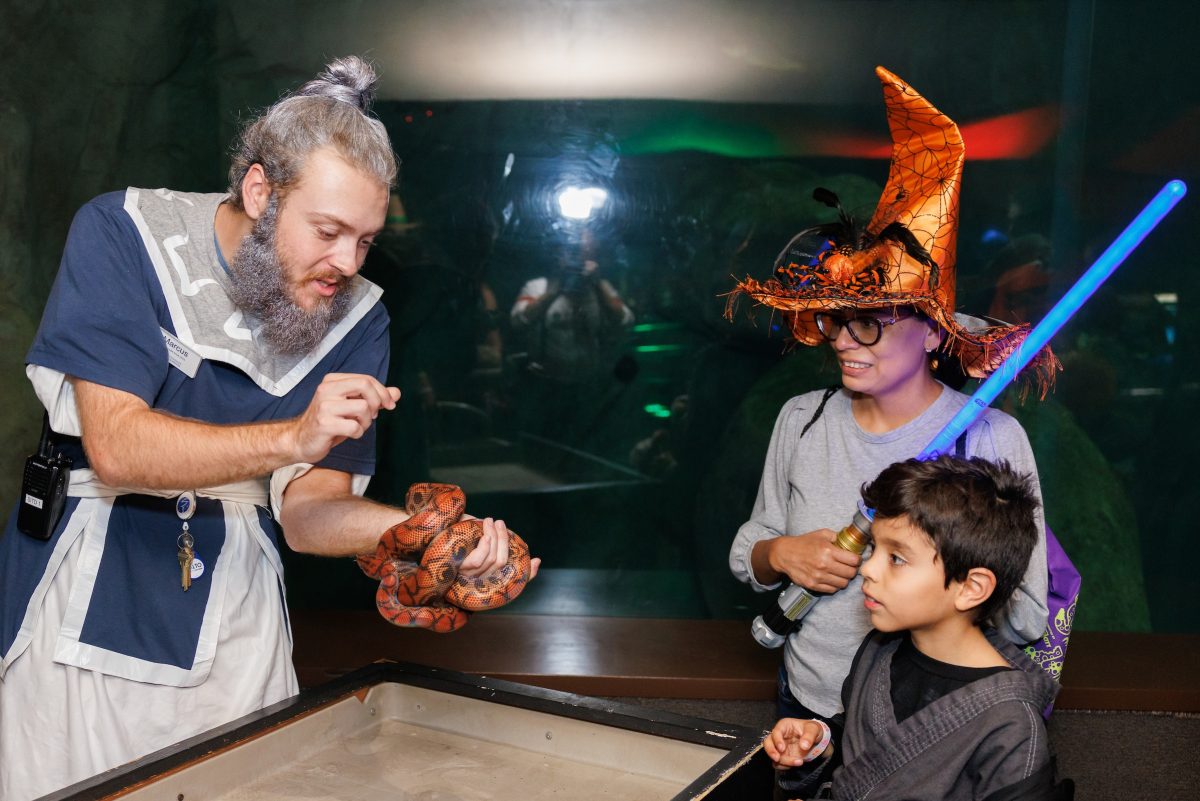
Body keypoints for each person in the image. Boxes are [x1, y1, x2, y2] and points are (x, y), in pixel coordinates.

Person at [0, 56, 537, 800]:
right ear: (260, 191)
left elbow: (309, 512)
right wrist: (292, 436)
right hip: (86, 584)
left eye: (366, 239)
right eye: (328, 230)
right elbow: (118, 447)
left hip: (237, 610)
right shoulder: (125, 235)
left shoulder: (357, 314)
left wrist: (438, 534)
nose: (345, 262)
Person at [727, 67, 1057, 732]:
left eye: (870, 319)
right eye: (836, 318)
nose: (845, 339)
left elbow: (1025, 614)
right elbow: (748, 550)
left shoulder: (988, 439)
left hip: (934, 726)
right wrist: (783, 555)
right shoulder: (804, 419)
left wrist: (928, 581)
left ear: (934, 329)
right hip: (807, 709)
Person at [764, 455, 1066, 801]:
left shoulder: (1012, 725)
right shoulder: (879, 649)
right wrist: (819, 742)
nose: (868, 569)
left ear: (971, 588)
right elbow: (867, 753)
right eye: (874, 549)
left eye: (896, 558)